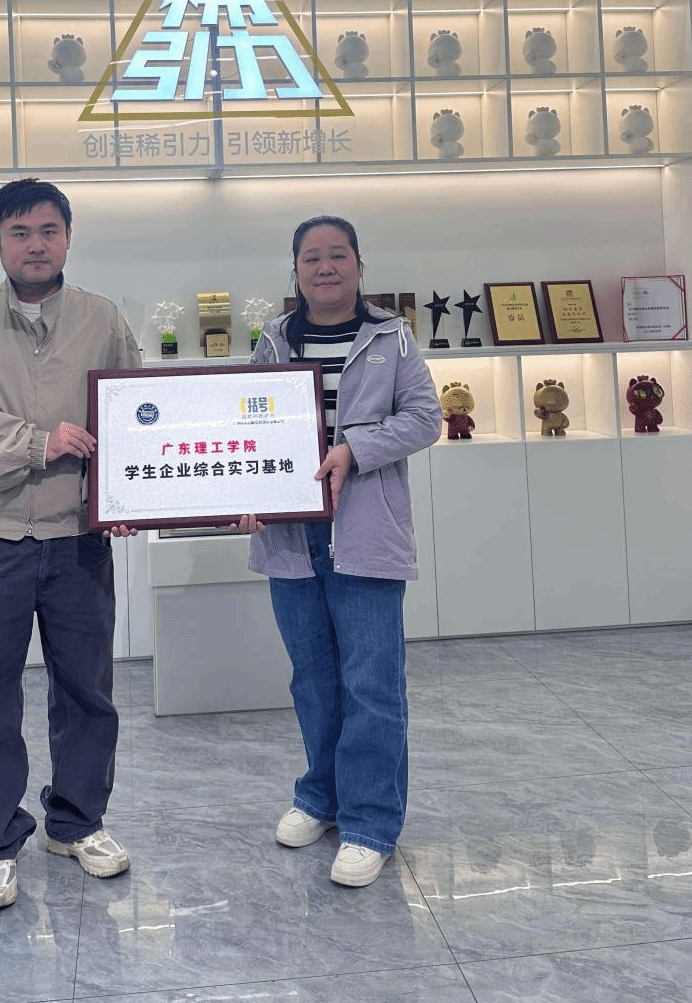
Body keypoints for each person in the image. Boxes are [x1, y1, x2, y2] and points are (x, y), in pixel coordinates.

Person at [0, 177, 140, 911]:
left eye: (49, 230)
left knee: (88, 692)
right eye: (19, 233)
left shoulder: (102, 319)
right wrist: (36, 442)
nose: (36, 245)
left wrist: (131, 493)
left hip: (79, 538)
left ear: (68, 237)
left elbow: (133, 412)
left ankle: (77, 823)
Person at [243, 215, 441, 888]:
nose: (325, 268)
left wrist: (355, 450)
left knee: (372, 685)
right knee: (312, 680)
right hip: (291, 537)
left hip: (365, 531)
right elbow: (247, 424)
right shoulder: (272, 341)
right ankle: (320, 798)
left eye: (337, 255)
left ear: (359, 264)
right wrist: (245, 491)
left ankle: (369, 823)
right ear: (295, 270)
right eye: (311, 258)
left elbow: (425, 417)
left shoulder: (391, 337)